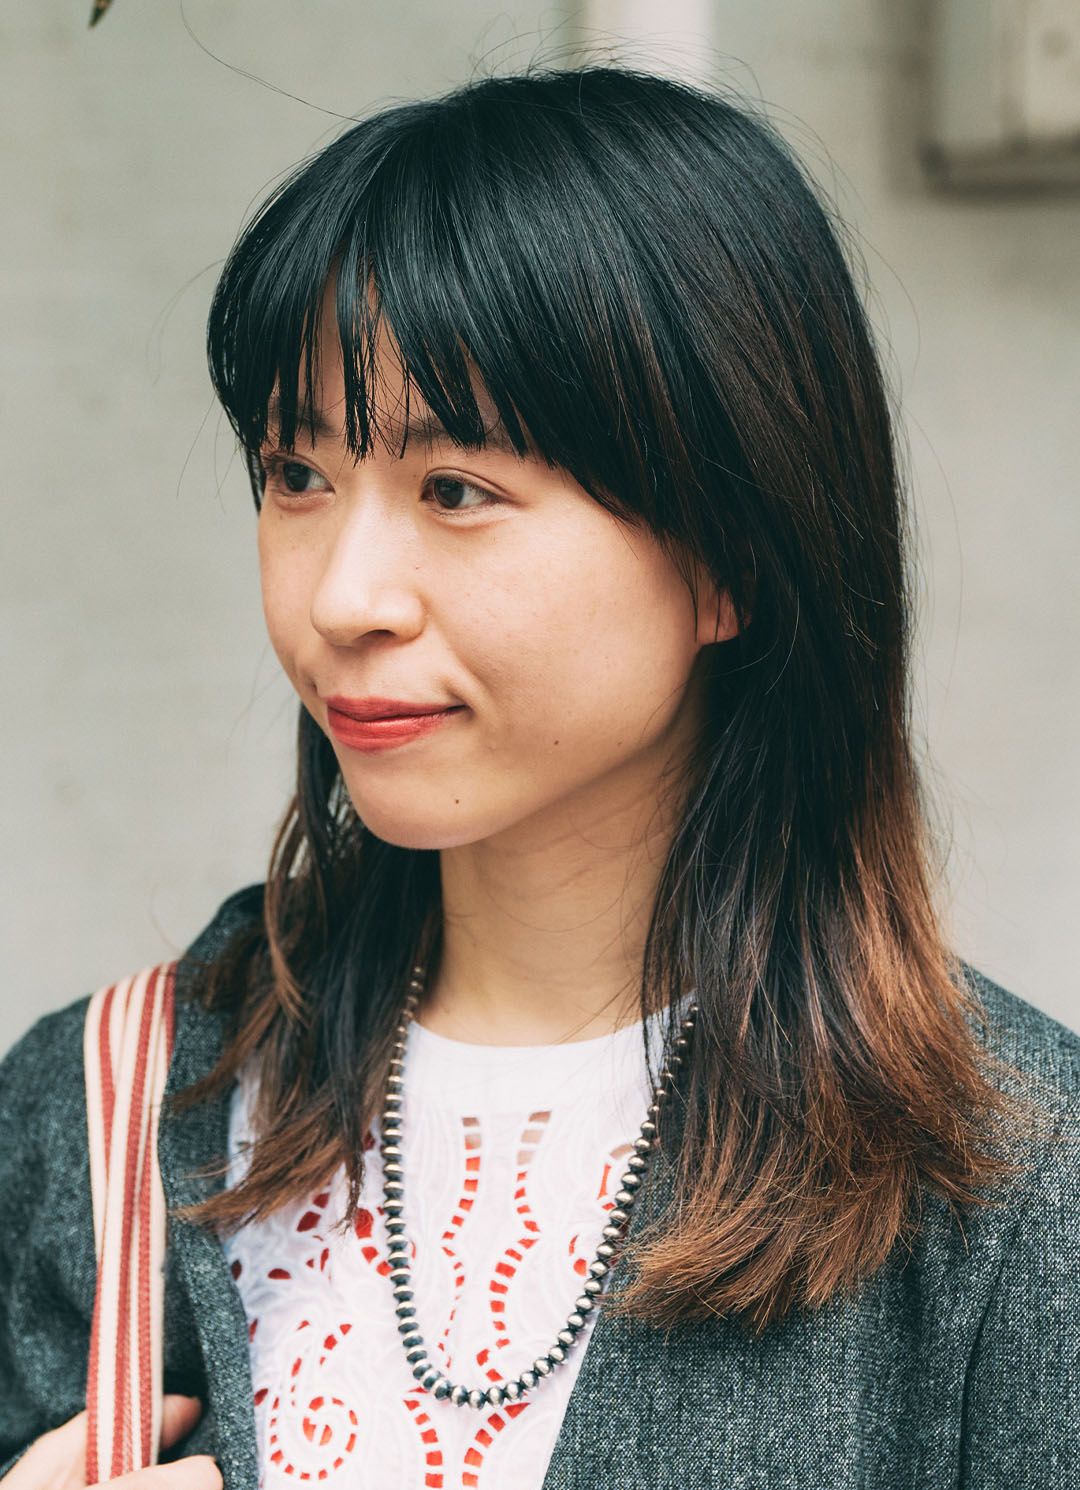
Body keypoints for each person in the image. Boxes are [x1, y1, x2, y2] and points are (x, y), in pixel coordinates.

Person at [1, 63, 1077, 1490]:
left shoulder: (1008, 1186)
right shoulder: (102, 1111)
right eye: (297, 474)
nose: (344, 598)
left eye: (456, 490)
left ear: (733, 559)